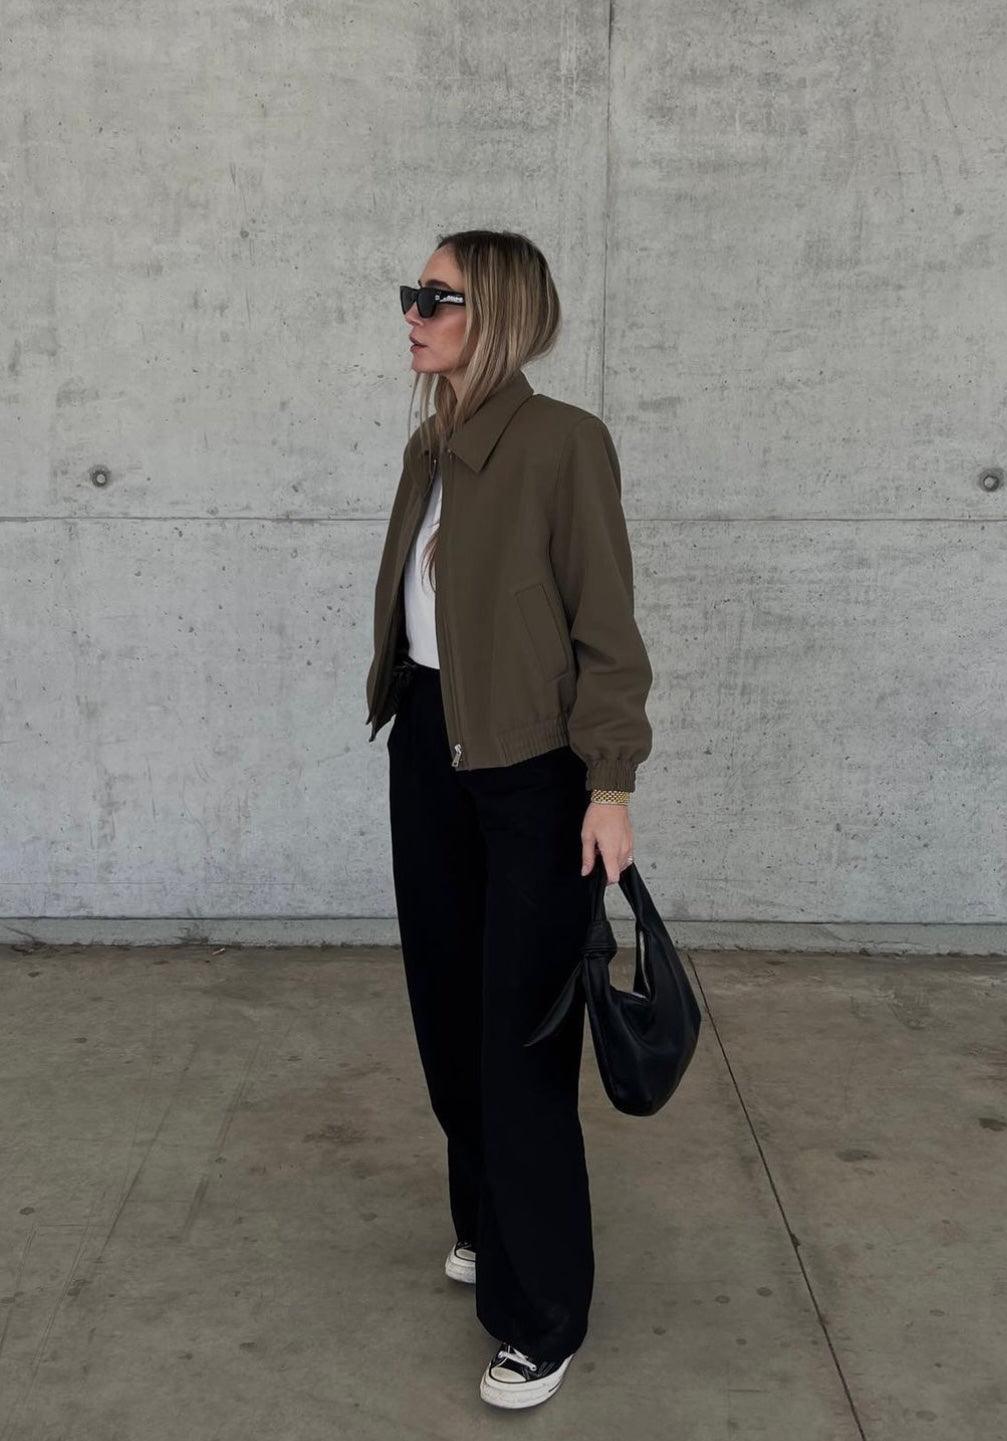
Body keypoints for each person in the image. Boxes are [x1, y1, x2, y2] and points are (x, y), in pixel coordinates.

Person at [364, 229, 654, 1409]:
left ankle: (542, 1315)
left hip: (533, 777)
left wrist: (610, 784)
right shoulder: (429, 444)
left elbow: (607, 629)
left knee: (521, 1045)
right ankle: (488, 1221)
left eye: (436, 297)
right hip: (431, 751)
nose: (413, 313)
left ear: (498, 316)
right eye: (413, 293)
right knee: (447, 1016)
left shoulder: (562, 444)